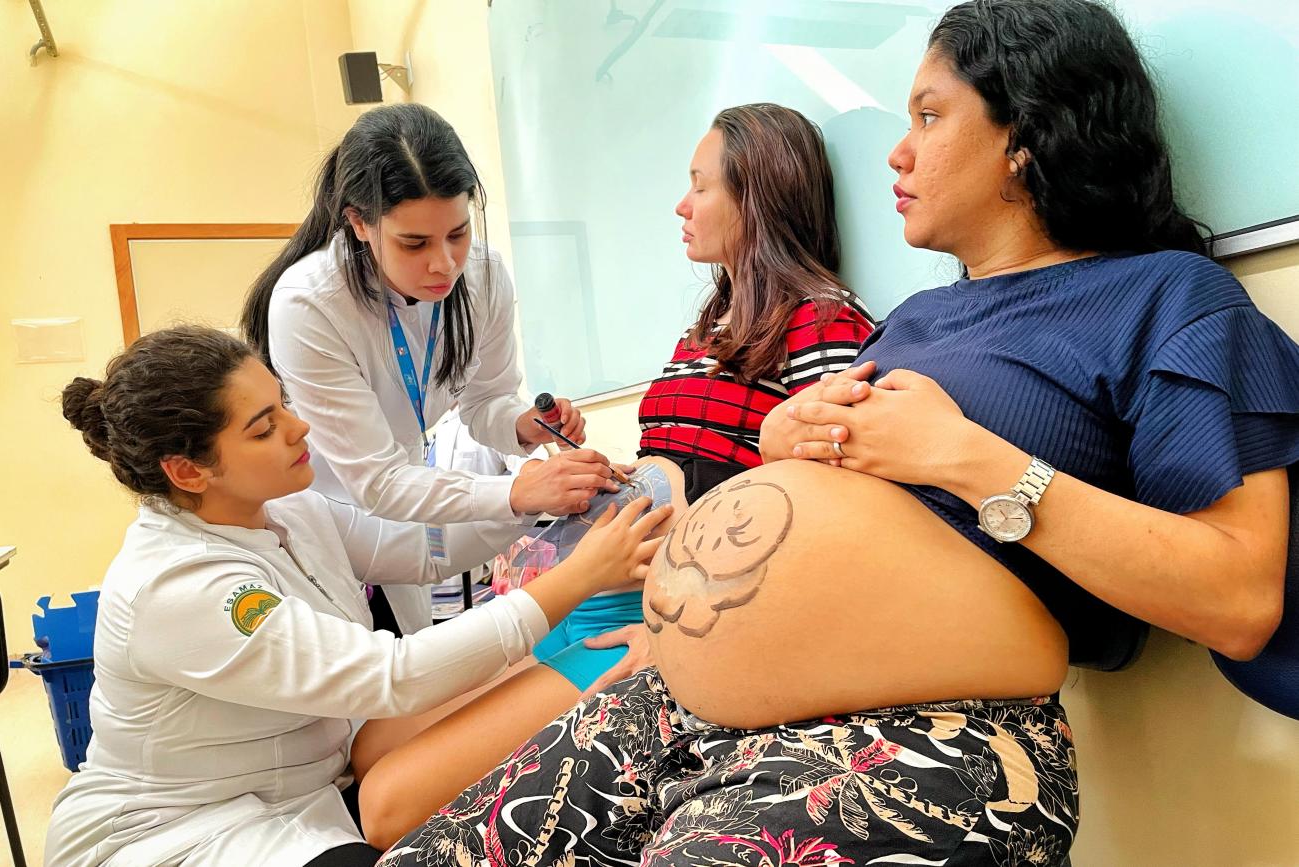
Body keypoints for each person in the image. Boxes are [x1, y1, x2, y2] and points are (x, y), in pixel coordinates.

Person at [376, 1, 1299, 864]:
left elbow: (1239, 597)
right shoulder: (918, 320)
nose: (897, 152)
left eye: (929, 116)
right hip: (684, 698)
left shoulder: (1166, 298)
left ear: (1023, 137)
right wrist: (784, 447)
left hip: (928, 735)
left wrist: (968, 459)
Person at [351, 103, 873, 848]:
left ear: (759, 198)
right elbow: (693, 462)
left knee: (385, 802)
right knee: (370, 745)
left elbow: (832, 509)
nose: (681, 206)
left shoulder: (823, 322)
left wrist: (679, 634)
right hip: (583, 585)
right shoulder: (709, 327)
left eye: (700, 186)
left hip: (648, 614)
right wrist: (607, 475)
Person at [43, 326, 671, 867]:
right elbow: (392, 676)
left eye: (283, 404)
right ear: (188, 470)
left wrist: (527, 499)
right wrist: (578, 576)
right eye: (265, 429)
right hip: (179, 831)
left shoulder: (285, 510)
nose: (299, 428)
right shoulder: (176, 587)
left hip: (307, 783)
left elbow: (421, 552)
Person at [241, 103, 619, 636]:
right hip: (323, 504)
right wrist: (517, 493)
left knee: (413, 650)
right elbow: (376, 482)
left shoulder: (483, 276)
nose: (444, 263)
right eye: (414, 243)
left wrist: (521, 426)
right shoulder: (310, 303)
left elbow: (486, 401)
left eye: (458, 233)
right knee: (363, 663)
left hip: (404, 497)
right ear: (359, 223)